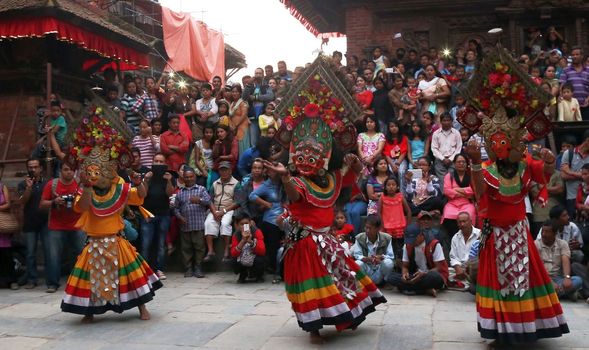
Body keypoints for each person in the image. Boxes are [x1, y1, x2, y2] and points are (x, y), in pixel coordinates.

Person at [261, 116, 385, 343]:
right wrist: (287, 177)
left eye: (312, 157)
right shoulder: (296, 182)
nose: (305, 161)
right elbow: (294, 195)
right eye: (300, 157)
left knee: (341, 280)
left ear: (325, 159)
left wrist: (354, 161)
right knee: (313, 286)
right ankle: (313, 328)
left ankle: (346, 315)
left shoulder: (333, 178)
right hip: (305, 244)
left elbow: (355, 173)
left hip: (327, 241)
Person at [466, 104, 569, 342]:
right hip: (495, 234)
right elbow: (480, 191)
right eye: (494, 143)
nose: (498, 147)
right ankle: (501, 329)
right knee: (497, 281)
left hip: (518, 233)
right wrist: (472, 162)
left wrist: (551, 162)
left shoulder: (525, 163)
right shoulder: (484, 168)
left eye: (503, 142)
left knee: (525, 278)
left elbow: (543, 172)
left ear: (512, 143)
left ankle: (526, 325)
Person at [61, 107, 161, 321]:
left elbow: (139, 196)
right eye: (93, 171)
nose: (98, 174)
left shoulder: (120, 187)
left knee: (132, 277)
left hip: (117, 241)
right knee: (88, 280)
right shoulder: (83, 190)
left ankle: (142, 308)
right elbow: (83, 207)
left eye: (102, 169)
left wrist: (141, 182)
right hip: (94, 243)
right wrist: (87, 186)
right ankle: (89, 313)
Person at [39, 163, 84, 293]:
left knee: (81, 254)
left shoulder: (79, 183)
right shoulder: (52, 184)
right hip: (56, 225)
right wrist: (54, 202)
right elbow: (42, 204)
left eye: (71, 169)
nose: (69, 172)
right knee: (53, 255)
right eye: (66, 169)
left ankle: (80, 282)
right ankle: (52, 284)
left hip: (77, 224)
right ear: (60, 171)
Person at [386, 223, 448, 296]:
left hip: (429, 274)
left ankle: (409, 288)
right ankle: (424, 290)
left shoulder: (434, 244)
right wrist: (404, 274)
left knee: (435, 277)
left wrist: (424, 274)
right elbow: (405, 266)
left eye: (413, 240)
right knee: (390, 277)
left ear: (420, 235)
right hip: (415, 275)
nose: (411, 243)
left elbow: (439, 268)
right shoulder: (407, 245)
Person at [141, 154, 175, 280]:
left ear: (165, 163)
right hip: (148, 215)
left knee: (161, 244)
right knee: (146, 243)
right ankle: (145, 271)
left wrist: (169, 181)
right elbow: (142, 194)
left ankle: (159, 269)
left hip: (163, 214)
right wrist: (145, 179)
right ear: (152, 162)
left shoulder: (168, 176)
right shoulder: (147, 175)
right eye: (156, 161)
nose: (158, 164)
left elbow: (170, 193)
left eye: (161, 161)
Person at [17, 158, 48, 289]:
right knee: (30, 253)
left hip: (46, 222)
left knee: (49, 252)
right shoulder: (22, 184)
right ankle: (32, 279)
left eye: (35, 167)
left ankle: (51, 280)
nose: (33, 170)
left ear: (41, 168)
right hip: (30, 222)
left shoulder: (47, 183)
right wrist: (29, 187)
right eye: (30, 167)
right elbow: (22, 201)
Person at [174, 167, 211, 278]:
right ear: (183, 178)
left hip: (198, 224)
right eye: (187, 177)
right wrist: (179, 217)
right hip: (185, 225)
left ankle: (198, 268)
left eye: (191, 176)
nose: (189, 179)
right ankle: (188, 268)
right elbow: (175, 208)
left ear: (195, 177)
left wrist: (199, 200)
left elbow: (209, 201)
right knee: (186, 248)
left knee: (199, 247)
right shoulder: (180, 193)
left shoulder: (201, 189)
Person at [248, 163, 284, 273]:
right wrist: (266, 204)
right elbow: (252, 196)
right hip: (271, 219)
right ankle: (273, 268)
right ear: (268, 172)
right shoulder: (266, 185)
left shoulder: (283, 183)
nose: (275, 172)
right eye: (272, 170)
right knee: (273, 245)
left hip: (285, 218)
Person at [535, 220, 583, 300]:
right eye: (543, 231)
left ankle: (552, 295)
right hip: (542, 278)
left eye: (547, 232)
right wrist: (550, 282)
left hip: (558, 279)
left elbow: (566, 260)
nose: (543, 234)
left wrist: (567, 277)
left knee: (578, 280)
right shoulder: (536, 244)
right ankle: (565, 294)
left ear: (555, 233)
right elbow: (538, 266)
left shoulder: (562, 244)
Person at [204, 161, 240, 263]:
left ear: (230, 171)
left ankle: (226, 252)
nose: (223, 172)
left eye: (226, 170)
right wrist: (215, 212)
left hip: (228, 209)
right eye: (221, 170)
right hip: (215, 209)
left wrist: (223, 211)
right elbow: (209, 199)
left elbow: (237, 202)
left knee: (225, 224)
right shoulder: (215, 183)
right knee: (208, 223)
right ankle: (210, 251)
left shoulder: (236, 184)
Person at [441, 154, 475, 243]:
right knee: (448, 216)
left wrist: (456, 189)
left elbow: (473, 190)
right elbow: (447, 191)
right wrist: (465, 192)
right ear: (454, 164)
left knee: (469, 216)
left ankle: (467, 241)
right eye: (458, 162)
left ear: (467, 164)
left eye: (463, 162)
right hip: (452, 203)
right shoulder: (449, 176)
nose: (461, 164)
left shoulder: (471, 175)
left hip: (467, 203)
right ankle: (454, 241)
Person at [353, 215, 395, 285]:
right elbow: (357, 255)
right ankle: (364, 283)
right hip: (367, 268)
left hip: (379, 268)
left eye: (370, 228)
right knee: (358, 263)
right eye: (366, 228)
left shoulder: (387, 238)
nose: (367, 231)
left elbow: (390, 256)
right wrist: (367, 259)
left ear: (378, 229)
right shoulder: (359, 238)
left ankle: (385, 282)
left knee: (388, 263)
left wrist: (381, 257)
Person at [378, 177, 411, 263]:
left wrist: (408, 225)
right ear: (385, 187)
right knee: (389, 248)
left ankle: (400, 266)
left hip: (400, 227)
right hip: (387, 228)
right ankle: (391, 265)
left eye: (393, 185)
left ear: (397, 187)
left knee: (400, 248)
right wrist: (382, 225)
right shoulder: (382, 198)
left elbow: (408, 211)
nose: (391, 187)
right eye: (388, 185)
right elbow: (378, 212)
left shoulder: (400, 196)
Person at [230, 213, 266, 283]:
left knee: (261, 259)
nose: (244, 226)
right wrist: (243, 241)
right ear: (237, 225)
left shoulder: (256, 232)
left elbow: (262, 251)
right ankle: (243, 274)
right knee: (233, 260)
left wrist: (251, 242)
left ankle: (259, 275)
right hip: (242, 257)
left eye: (246, 223)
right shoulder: (236, 234)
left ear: (250, 223)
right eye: (241, 224)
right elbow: (233, 253)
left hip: (254, 257)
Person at [448, 212, 481, 290]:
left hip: (474, 269)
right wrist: (457, 267)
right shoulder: (455, 238)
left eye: (464, 221)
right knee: (445, 273)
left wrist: (470, 267)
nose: (462, 224)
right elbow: (453, 257)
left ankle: (465, 283)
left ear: (470, 221)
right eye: (460, 222)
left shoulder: (480, 234)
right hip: (460, 269)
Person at [560, 130, 589, 217]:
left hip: (587, 198)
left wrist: (569, 172)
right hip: (572, 197)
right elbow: (563, 175)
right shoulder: (569, 153)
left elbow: (566, 173)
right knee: (574, 225)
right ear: (587, 140)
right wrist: (583, 175)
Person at [558, 46, 589, 120]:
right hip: (570, 107)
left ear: (582, 56)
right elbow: (562, 86)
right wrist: (560, 96)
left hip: (586, 106)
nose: (574, 56)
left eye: (577, 54)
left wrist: (588, 99)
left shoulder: (588, 70)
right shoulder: (566, 70)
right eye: (573, 55)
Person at [431, 112, 462, 181]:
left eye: (448, 120)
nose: (446, 122)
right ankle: (443, 192)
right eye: (444, 120)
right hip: (440, 160)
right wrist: (443, 159)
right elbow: (434, 148)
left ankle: (451, 192)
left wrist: (450, 159)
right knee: (442, 180)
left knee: (452, 179)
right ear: (441, 121)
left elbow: (458, 148)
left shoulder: (456, 133)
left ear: (452, 121)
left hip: (453, 160)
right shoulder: (436, 133)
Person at [0, 178, 18, 290]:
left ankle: (12, 281)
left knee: (6, 255)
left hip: (2, 225)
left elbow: (7, 203)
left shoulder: (2, 186)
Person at [383, 120, 408, 188]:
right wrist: (392, 165)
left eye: (396, 126)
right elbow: (386, 154)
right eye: (392, 126)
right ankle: (392, 192)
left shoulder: (404, 138)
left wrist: (397, 164)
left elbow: (404, 152)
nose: (394, 128)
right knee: (390, 172)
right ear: (388, 128)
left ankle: (402, 194)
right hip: (390, 160)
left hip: (401, 160)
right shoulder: (386, 139)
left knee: (401, 171)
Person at [229, 84, 251, 156]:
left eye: (236, 92)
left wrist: (236, 125)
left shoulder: (242, 102)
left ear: (240, 93)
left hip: (242, 127)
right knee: (236, 148)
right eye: (233, 92)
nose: (234, 93)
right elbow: (230, 116)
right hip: (234, 129)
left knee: (243, 146)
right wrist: (231, 126)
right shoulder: (232, 103)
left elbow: (244, 115)